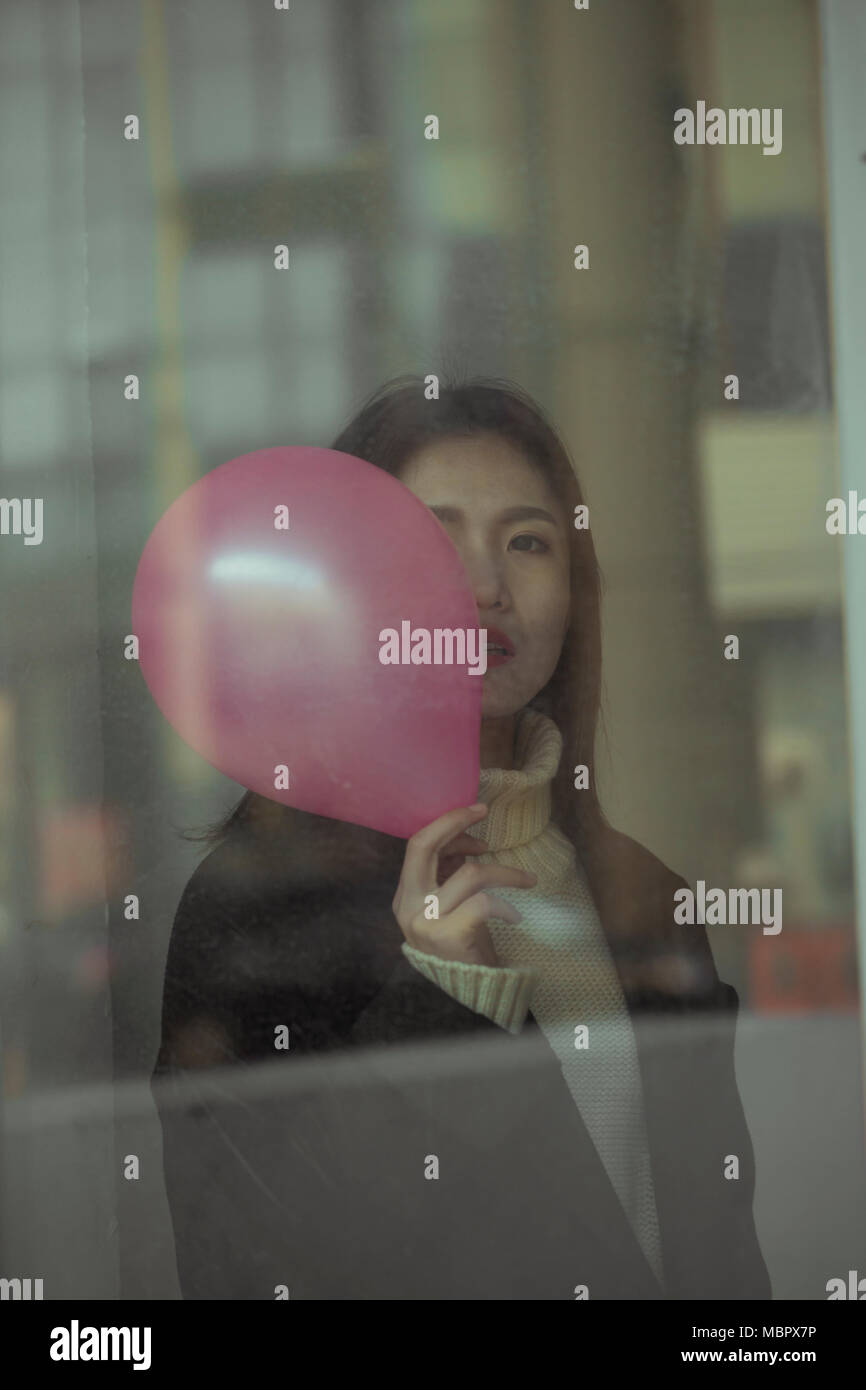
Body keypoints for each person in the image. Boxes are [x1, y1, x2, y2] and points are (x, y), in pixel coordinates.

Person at [151, 374, 771, 1300]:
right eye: (431, 537)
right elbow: (251, 1268)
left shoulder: (643, 894)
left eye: (528, 542)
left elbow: (719, 1265)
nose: (483, 588)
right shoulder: (255, 905)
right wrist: (443, 1005)